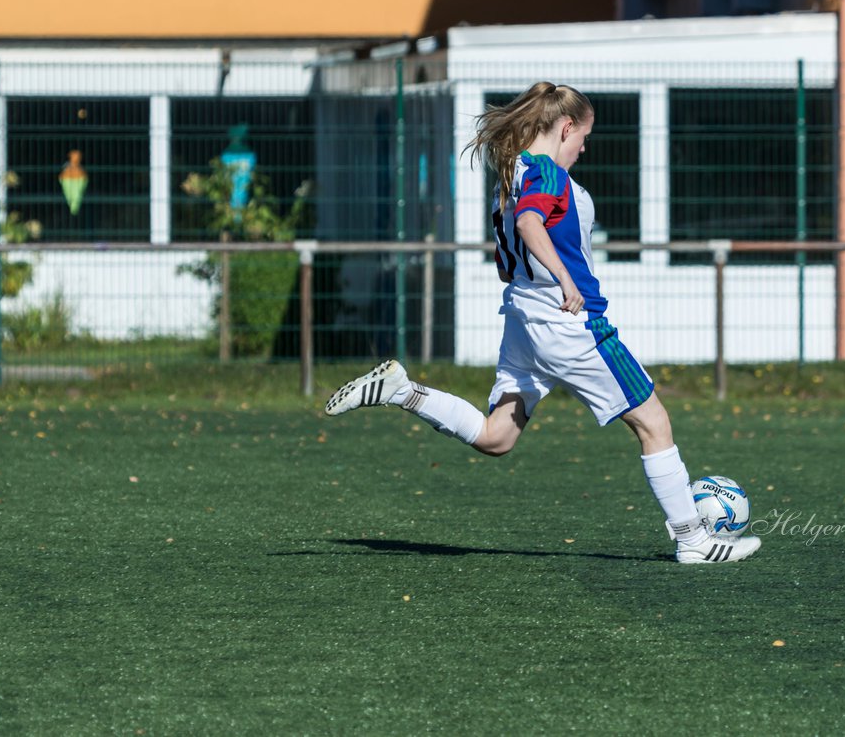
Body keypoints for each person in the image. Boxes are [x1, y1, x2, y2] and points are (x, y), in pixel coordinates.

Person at [325, 82, 760, 564]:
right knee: (654, 422)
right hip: (567, 320)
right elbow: (531, 226)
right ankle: (694, 540)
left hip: (524, 317)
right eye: (583, 137)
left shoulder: (511, 174)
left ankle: (403, 391)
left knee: (497, 437)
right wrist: (564, 279)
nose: (583, 148)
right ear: (566, 127)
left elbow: (508, 261)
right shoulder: (547, 173)